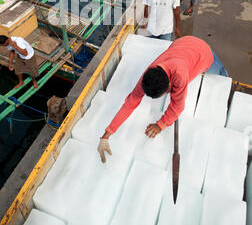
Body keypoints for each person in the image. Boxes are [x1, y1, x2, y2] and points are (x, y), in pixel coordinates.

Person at [97, 36, 228, 163]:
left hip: (203, 52)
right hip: (182, 43)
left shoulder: (180, 76)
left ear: (170, 86)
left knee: (222, 75)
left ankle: (225, 74)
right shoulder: (149, 74)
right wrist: (107, 135)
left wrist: (160, 125)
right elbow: (131, 102)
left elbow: (178, 107)